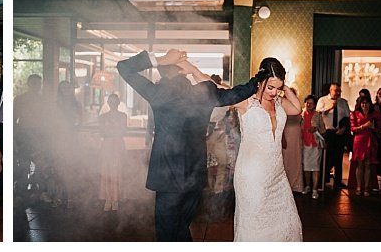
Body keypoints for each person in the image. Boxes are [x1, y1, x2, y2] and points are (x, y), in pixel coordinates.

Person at [117, 49, 260, 241]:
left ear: (162, 71)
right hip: (194, 176)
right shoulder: (204, 93)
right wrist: (257, 79)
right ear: (182, 71)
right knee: (181, 228)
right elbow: (236, 94)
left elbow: (123, 68)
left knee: (167, 233)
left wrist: (159, 59)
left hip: (167, 178)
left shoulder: (158, 93)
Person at [228, 58, 302, 241]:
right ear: (260, 81)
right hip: (252, 177)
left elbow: (297, 108)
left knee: (290, 223)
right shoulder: (246, 101)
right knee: (255, 227)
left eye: (278, 88)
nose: (274, 92)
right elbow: (218, 91)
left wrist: (283, 88)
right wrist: (194, 71)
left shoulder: (279, 101)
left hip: (277, 175)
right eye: (270, 87)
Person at [316, 83, 350, 189]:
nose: (338, 93)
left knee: (338, 158)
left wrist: (343, 129)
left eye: (339, 91)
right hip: (327, 132)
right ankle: (322, 181)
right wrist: (330, 107)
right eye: (336, 90)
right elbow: (318, 114)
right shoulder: (322, 100)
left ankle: (338, 182)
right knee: (326, 158)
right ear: (330, 90)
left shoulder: (343, 102)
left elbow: (347, 117)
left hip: (339, 132)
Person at [98, 93, 126, 211]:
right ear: (108, 103)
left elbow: (122, 131)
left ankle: (115, 199)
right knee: (106, 171)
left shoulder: (123, 116)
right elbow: (102, 132)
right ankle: (108, 198)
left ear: (118, 103)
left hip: (117, 144)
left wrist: (111, 132)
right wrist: (113, 132)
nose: (113, 103)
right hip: (107, 145)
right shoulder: (102, 117)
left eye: (115, 101)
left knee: (116, 171)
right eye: (111, 101)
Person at [351, 94, 378, 196]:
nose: (364, 105)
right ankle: (359, 186)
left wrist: (373, 128)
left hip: (370, 140)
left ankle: (366, 188)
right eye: (363, 103)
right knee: (360, 164)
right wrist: (364, 126)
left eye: (366, 103)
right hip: (359, 140)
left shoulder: (373, 114)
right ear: (359, 104)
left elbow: (378, 129)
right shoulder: (355, 114)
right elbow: (353, 129)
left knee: (368, 164)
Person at [301, 96, 326, 199]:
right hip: (304, 144)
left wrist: (316, 129)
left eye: (311, 103)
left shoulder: (317, 115)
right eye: (307, 103)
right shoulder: (300, 114)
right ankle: (307, 186)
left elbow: (323, 129)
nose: (308, 105)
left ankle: (315, 189)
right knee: (306, 167)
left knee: (315, 167)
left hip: (315, 144)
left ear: (315, 104)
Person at [281, 87, 304, 194]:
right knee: (286, 161)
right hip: (286, 137)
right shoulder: (282, 107)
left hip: (297, 138)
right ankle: (286, 186)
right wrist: (282, 138)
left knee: (297, 159)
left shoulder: (298, 108)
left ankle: (297, 185)